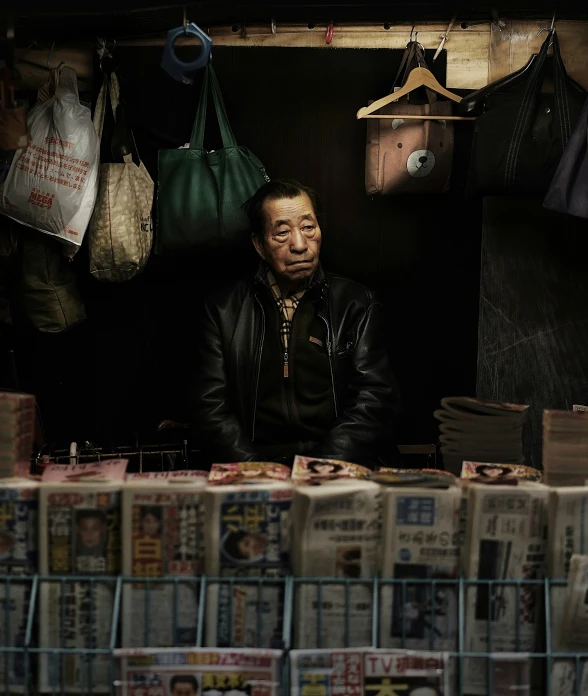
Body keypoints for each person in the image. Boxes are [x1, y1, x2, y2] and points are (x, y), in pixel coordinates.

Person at [193, 179, 401, 468]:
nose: (300, 245)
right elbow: (210, 406)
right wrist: (256, 471)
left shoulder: (356, 303)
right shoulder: (224, 309)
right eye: (282, 233)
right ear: (259, 244)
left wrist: (314, 470)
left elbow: (374, 400)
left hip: (336, 465)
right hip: (255, 466)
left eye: (308, 228)